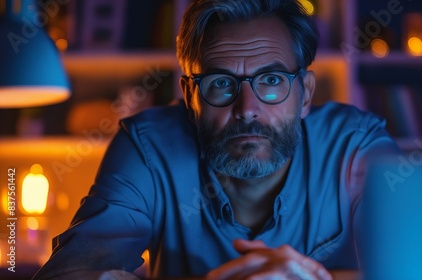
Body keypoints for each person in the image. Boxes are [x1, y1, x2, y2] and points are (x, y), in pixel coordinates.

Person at [34, 0, 398, 279]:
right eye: (221, 83)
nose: (247, 109)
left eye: (271, 81)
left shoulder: (356, 146)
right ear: (190, 97)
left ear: (305, 94)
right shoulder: (148, 148)